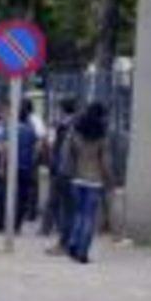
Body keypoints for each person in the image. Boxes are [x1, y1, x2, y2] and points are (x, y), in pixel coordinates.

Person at [65, 102, 116, 264]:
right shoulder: (102, 136)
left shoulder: (76, 132)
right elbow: (106, 162)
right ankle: (82, 252)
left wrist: (70, 172)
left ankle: (73, 242)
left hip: (77, 178)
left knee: (78, 213)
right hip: (94, 180)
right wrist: (110, 180)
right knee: (89, 217)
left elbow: (68, 154)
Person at [0, 104, 38, 234]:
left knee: (5, 195)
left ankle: (1, 224)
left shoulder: (9, 129)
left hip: (10, 167)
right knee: (22, 197)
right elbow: (36, 149)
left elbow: (4, 149)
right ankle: (17, 225)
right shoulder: (30, 131)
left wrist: (1, 166)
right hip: (25, 167)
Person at [42, 97, 78, 247]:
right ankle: (57, 228)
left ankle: (54, 230)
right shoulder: (73, 124)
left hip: (61, 168)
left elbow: (55, 147)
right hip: (69, 169)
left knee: (57, 200)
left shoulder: (62, 127)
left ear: (62, 110)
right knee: (63, 202)